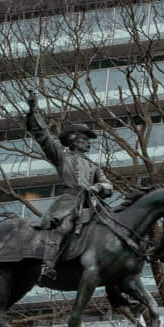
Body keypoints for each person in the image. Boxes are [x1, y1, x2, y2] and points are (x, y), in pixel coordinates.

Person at [25, 94, 117, 270]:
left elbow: (108, 186)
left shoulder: (93, 166)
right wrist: (33, 112)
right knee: (65, 226)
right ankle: (48, 264)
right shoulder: (63, 158)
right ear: (73, 140)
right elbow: (44, 138)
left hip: (90, 204)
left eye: (87, 141)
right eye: (84, 140)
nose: (87, 144)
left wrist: (97, 187)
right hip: (69, 202)